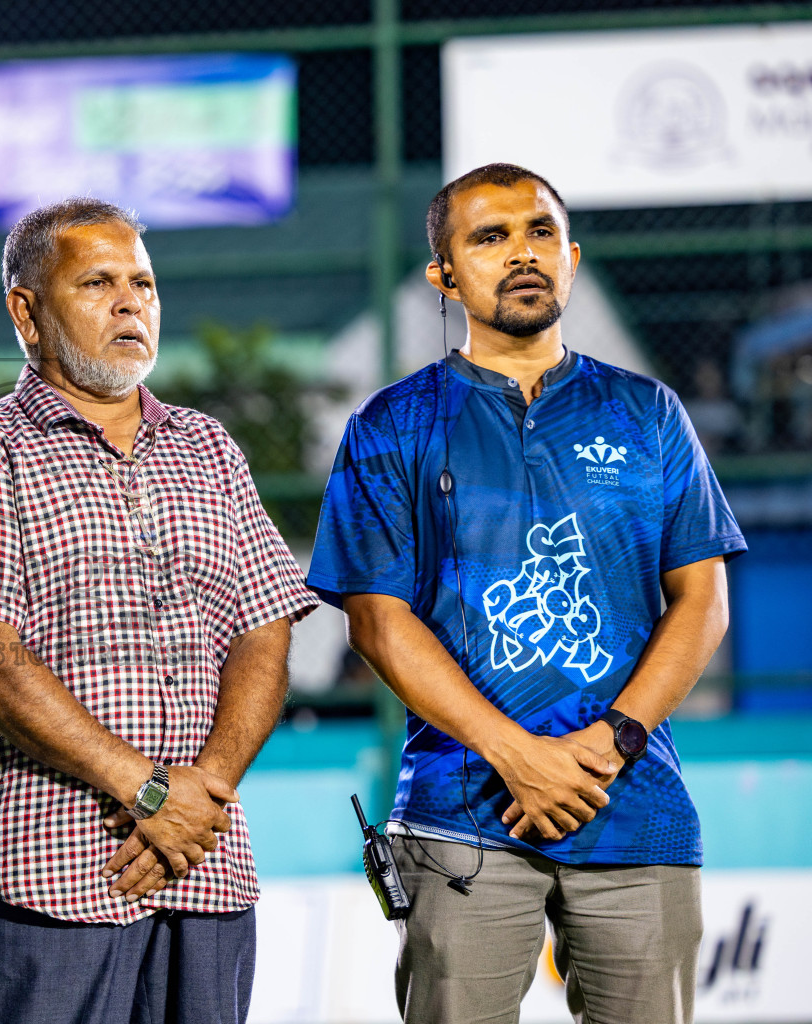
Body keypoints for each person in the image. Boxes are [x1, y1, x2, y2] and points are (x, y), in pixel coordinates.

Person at [308, 163, 747, 1023]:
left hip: (632, 804)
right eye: (490, 237)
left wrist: (610, 744)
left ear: (572, 257)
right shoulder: (392, 425)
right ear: (444, 276)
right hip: (461, 814)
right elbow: (377, 624)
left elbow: (705, 600)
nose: (522, 254)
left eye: (540, 231)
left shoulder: (647, 413)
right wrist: (518, 755)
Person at [0, 197, 319, 1024]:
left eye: (145, 284)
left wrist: (205, 794)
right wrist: (152, 792)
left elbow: (263, 632)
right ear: (27, 311)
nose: (132, 304)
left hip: (206, 867)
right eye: (98, 283)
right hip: (54, 876)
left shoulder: (209, 446)